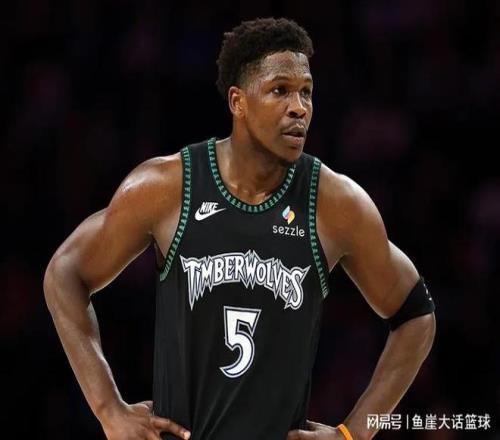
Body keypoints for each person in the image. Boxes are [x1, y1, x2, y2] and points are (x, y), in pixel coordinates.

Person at [44, 17, 436, 440]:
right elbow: (65, 271)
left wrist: (353, 433)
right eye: (280, 90)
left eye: (306, 92)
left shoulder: (334, 203)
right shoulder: (169, 186)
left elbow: (416, 315)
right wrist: (108, 409)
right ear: (238, 102)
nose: (299, 107)